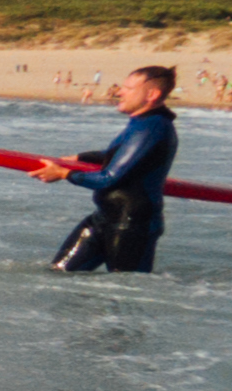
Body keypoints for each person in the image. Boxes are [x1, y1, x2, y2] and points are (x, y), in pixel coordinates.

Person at [33, 65, 176, 273]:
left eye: (128, 88)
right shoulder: (142, 123)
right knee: (59, 273)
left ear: (152, 95)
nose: (119, 92)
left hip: (132, 227)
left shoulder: (153, 127)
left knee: (125, 292)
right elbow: (119, 156)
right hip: (105, 217)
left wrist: (64, 174)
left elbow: (109, 178)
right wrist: (80, 158)